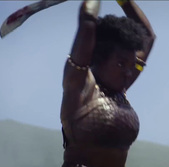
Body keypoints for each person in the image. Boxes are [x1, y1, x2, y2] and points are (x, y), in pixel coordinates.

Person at [60, 0, 155, 166]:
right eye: (120, 64)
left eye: (132, 66)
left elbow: (147, 37)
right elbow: (88, 20)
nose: (128, 72)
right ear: (99, 58)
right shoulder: (80, 86)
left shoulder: (120, 90)